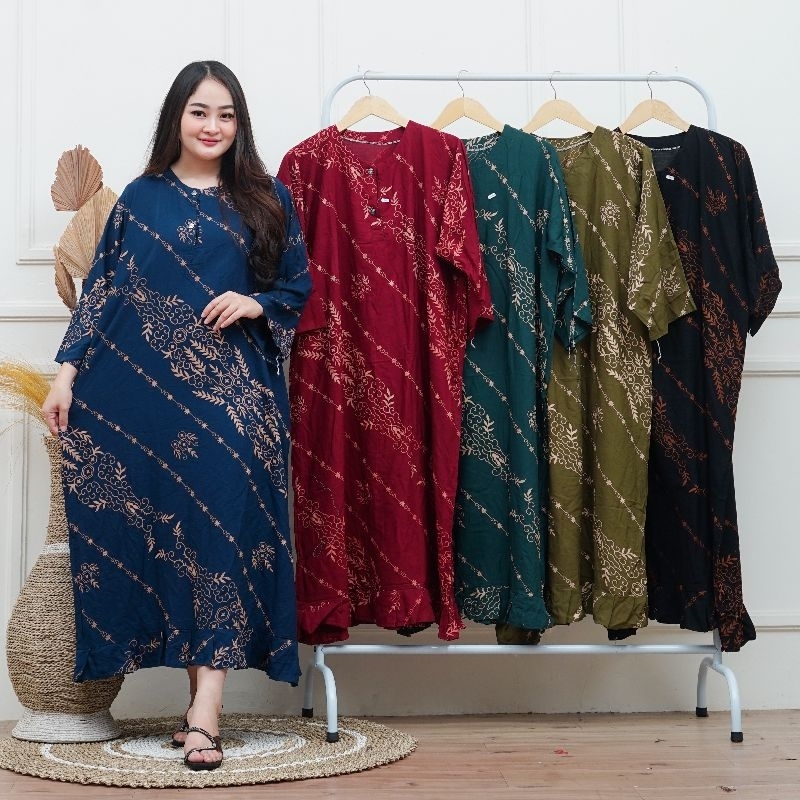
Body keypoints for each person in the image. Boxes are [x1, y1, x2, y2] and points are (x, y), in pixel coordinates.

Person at [42, 60, 311, 771]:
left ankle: (206, 713)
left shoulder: (267, 198)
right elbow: (103, 292)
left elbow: (298, 286)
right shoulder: (141, 198)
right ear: (176, 118)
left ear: (240, 123)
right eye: (200, 112)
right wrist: (66, 376)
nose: (213, 126)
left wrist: (256, 302)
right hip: (148, 405)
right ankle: (198, 708)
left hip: (235, 402)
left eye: (226, 114)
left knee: (219, 538)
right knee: (176, 539)